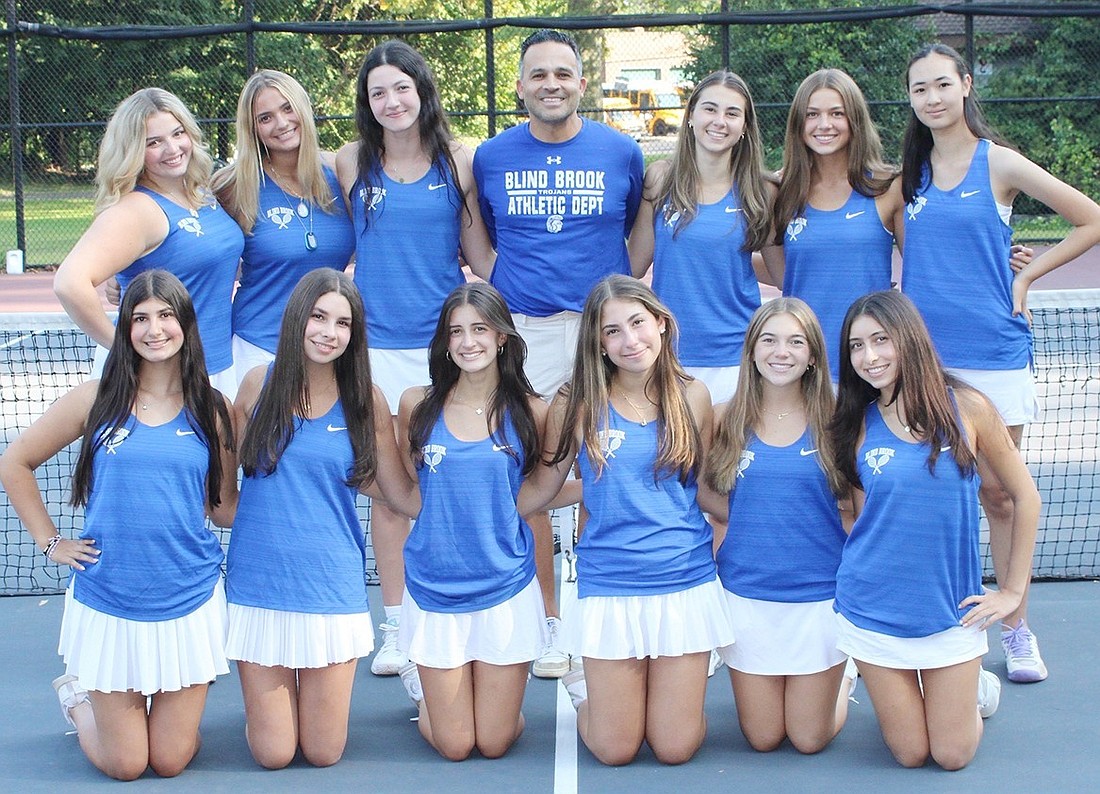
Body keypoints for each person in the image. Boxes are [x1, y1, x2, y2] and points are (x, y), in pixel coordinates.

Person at [899, 43, 1100, 683]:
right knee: (934, 491)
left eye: (941, 85)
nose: (931, 98)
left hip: (995, 354)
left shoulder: (1001, 164)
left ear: (964, 85)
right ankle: (945, 623)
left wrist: (1027, 277)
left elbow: (1090, 220)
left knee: (1000, 495)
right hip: (925, 362)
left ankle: (1015, 627)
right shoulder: (906, 174)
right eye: (919, 89)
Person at [0, 270, 237, 781]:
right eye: (140, 318)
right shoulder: (95, 399)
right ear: (126, 328)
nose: (155, 329)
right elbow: (13, 463)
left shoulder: (211, 408)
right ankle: (78, 700)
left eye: (167, 315)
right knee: (127, 765)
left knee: (170, 760)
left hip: (188, 598)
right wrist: (50, 542)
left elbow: (224, 508)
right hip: (110, 597)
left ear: (186, 324)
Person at [474, 28, 645, 678]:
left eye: (563, 74)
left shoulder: (620, 151)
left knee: (625, 463)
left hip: (606, 330)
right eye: (538, 74)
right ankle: (548, 624)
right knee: (535, 472)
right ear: (520, 86)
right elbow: (488, 239)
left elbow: (630, 228)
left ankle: (618, 614)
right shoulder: (491, 156)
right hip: (531, 333)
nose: (551, 83)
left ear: (581, 83)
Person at [520, 275, 735, 766]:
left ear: (660, 324)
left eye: (637, 323)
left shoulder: (694, 395)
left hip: (684, 583)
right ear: (597, 341)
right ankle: (585, 689)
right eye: (612, 330)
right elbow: (545, 487)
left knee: (675, 747)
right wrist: (468, 510)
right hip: (611, 585)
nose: (629, 340)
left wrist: (773, 521)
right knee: (616, 749)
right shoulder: (574, 401)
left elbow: (701, 488)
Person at [336, 40, 496, 677]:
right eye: (378, 92)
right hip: (372, 349)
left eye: (401, 88)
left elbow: (480, 253)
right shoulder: (350, 162)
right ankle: (398, 626)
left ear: (422, 91)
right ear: (367, 104)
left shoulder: (461, 160)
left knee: (446, 477)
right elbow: (259, 181)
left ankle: (454, 606)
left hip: (444, 353)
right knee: (387, 483)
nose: (391, 101)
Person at [828, 290, 1040, 770]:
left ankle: (973, 688)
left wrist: (1010, 592)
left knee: (950, 755)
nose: (869, 356)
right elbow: (863, 519)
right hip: (873, 606)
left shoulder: (967, 407)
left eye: (881, 340)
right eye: (857, 346)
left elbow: (1023, 497)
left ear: (910, 338)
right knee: (910, 753)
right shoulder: (854, 424)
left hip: (951, 610)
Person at [226, 268, 408, 768]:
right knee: (275, 753)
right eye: (319, 316)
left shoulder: (365, 400)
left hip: (331, 588)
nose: (329, 332)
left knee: (324, 752)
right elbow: (224, 496)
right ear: (296, 319)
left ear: (354, 334)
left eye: (343, 323)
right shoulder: (254, 385)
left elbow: (398, 494)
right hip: (260, 586)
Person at [394, 282, 569, 760]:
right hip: (435, 589)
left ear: (502, 338)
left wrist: (495, 514)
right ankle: (422, 686)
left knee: (492, 742)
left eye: (479, 329)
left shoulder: (532, 411)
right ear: (445, 342)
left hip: (506, 589)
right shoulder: (417, 405)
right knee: (454, 745)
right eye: (456, 332)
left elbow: (539, 486)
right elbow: (417, 488)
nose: (468, 342)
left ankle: (470, 694)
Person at [703, 298, 851, 753]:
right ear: (751, 350)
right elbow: (704, 492)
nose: (780, 352)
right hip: (747, 596)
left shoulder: (839, 420)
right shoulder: (725, 416)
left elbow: (855, 503)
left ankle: (845, 681)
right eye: (768, 340)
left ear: (812, 356)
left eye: (795, 341)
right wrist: (754, 518)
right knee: (764, 738)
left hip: (820, 597)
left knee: (808, 739)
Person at [53, 88, 244, 397]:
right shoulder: (136, 210)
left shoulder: (202, 194)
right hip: (159, 378)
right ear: (133, 152)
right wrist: (124, 349)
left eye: (177, 133)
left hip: (214, 365)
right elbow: (69, 283)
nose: (172, 148)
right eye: (154, 142)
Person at [628, 70, 778, 405]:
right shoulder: (661, 179)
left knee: (729, 457)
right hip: (670, 353)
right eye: (710, 109)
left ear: (744, 128)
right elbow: (635, 265)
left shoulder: (762, 190)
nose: (719, 121)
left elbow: (781, 272)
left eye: (732, 113)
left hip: (736, 356)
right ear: (692, 116)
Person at [212, 70, 356, 383]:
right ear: (253, 129)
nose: (281, 123)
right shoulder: (233, 186)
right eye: (265, 118)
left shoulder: (340, 171)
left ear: (303, 108)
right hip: (258, 346)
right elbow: (186, 234)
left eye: (287, 108)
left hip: (326, 346)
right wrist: (128, 272)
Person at [771, 69, 899, 380]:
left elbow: (928, 262)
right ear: (799, 123)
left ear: (854, 120)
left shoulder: (889, 186)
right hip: (804, 364)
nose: (824, 125)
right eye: (812, 114)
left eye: (836, 113)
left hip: (870, 364)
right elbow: (785, 274)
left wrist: (1005, 261)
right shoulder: (780, 190)